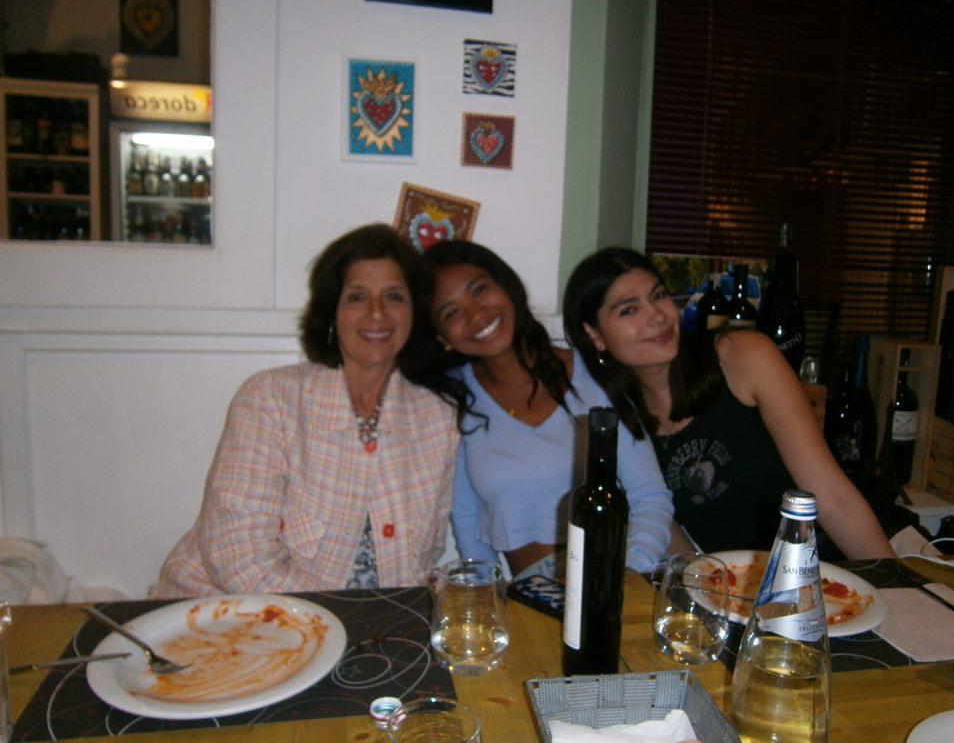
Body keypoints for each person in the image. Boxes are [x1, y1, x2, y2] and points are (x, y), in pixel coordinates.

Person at [152, 224, 460, 597]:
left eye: (394, 296)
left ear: (415, 313)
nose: (377, 313)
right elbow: (237, 554)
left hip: (368, 628)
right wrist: (329, 626)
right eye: (357, 296)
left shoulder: (438, 420)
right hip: (231, 609)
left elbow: (422, 560)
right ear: (332, 312)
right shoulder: (270, 399)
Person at [562, 247, 895, 560]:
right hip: (732, 593)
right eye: (629, 309)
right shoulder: (615, 420)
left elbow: (832, 499)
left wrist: (898, 589)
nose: (657, 316)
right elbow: (667, 533)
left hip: (820, 568)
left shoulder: (741, 356)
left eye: (659, 296)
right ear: (595, 335)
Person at [424, 240, 673, 579]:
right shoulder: (453, 402)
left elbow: (649, 496)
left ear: (506, 287)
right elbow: (469, 528)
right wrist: (485, 602)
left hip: (623, 574)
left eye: (480, 290)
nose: (475, 314)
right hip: (533, 594)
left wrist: (626, 577)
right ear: (442, 337)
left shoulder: (593, 375)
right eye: (451, 312)